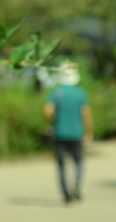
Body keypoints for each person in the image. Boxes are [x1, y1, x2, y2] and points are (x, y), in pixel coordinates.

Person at [43, 61, 93, 203]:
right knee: (79, 162)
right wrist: (89, 132)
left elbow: (47, 110)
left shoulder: (57, 92)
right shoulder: (80, 93)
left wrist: (54, 120)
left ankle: (66, 193)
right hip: (77, 133)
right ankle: (77, 185)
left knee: (61, 165)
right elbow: (87, 115)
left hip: (60, 133)